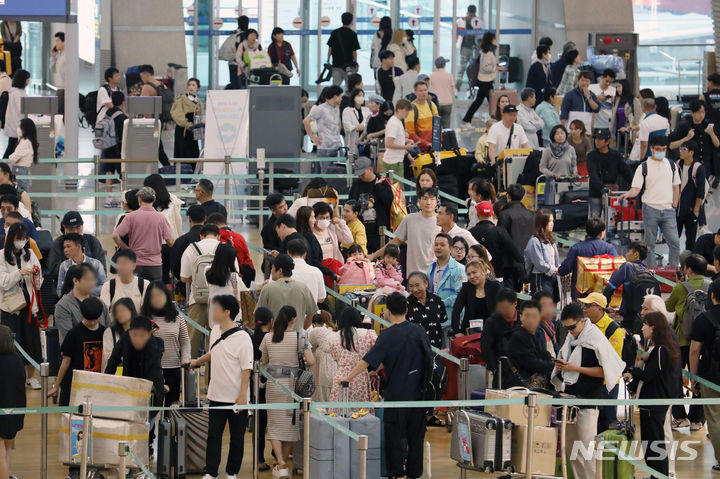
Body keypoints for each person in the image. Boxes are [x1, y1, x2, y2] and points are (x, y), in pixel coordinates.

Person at [341, 293, 430, 479]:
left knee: (395, 436)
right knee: (416, 437)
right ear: (406, 310)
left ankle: (397, 473)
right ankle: (414, 473)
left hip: (397, 395)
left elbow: (366, 361)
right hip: (420, 394)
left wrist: (348, 377)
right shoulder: (419, 331)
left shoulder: (388, 335)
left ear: (387, 312)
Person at [551, 302, 626, 479]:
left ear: (582, 321)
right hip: (569, 398)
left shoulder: (596, 340)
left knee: (586, 448)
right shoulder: (571, 338)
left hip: (589, 400)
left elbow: (606, 372)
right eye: (566, 328)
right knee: (571, 449)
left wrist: (576, 368)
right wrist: (561, 366)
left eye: (572, 327)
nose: (570, 331)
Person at [186, 296, 251, 479]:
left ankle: (232, 472)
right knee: (213, 436)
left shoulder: (243, 337)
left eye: (215, 309)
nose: (212, 313)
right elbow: (213, 352)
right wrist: (197, 361)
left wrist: (242, 395)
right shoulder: (214, 331)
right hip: (216, 395)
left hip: (236, 397)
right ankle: (211, 472)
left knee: (237, 438)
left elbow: (247, 369)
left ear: (227, 312)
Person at [620, 311, 679, 477]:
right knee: (650, 442)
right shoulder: (656, 349)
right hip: (651, 404)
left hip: (655, 403)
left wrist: (633, 371)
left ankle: (660, 474)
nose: (643, 327)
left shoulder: (660, 350)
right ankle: (656, 473)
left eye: (645, 324)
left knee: (655, 442)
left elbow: (650, 375)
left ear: (654, 327)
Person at [259, 305, 315, 478]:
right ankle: (281, 462)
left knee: (274, 424)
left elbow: (264, 360)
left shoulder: (269, 337)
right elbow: (310, 360)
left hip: (274, 384)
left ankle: (281, 463)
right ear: (293, 319)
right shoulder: (300, 336)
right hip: (292, 385)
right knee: (290, 423)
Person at [620, 135, 681, 267]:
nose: (661, 151)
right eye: (658, 149)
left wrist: (674, 206)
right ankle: (652, 271)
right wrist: (628, 194)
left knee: (675, 242)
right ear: (651, 149)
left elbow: (676, 187)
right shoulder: (643, 167)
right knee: (649, 244)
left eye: (663, 149)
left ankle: (673, 270)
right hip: (650, 209)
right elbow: (636, 188)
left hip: (668, 210)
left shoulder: (671, 165)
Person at [666, 253, 709, 430]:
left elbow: (668, 306)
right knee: (700, 379)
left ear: (688, 269)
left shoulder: (681, 287)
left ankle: (680, 417)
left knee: (674, 378)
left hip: (682, 340)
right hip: (705, 340)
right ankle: (697, 420)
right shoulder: (710, 285)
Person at [0, 222, 42, 388]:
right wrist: (19, 273)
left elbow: (39, 284)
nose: (22, 242)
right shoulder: (2, 255)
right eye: (19, 238)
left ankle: (30, 377)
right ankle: (11, 378)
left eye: (24, 238)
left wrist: (36, 274)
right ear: (11, 239)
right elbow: (3, 283)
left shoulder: (30, 254)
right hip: (10, 307)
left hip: (29, 305)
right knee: (10, 343)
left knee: (31, 341)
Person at [577, 292, 625, 431]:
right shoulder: (584, 325)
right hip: (588, 381)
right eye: (584, 305)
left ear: (599, 308)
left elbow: (611, 361)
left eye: (588, 305)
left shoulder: (613, 329)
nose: (584, 308)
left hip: (606, 384)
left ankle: (606, 452)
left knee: (607, 423)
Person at [370, 187, 441, 279]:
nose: (428, 202)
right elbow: (395, 242)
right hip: (413, 273)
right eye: (425, 198)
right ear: (419, 201)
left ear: (436, 201)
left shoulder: (441, 221)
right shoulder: (410, 219)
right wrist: (373, 255)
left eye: (432, 199)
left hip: (435, 273)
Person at [48, 297, 106, 406]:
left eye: (95, 319)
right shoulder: (74, 334)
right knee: (73, 421)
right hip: (74, 385)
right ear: (82, 315)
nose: (93, 322)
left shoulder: (104, 333)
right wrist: (56, 386)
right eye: (89, 320)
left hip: (96, 386)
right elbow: (65, 362)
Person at [141, 281, 190, 406]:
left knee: (170, 406)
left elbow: (185, 341)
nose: (157, 299)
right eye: (153, 296)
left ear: (167, 296)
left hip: (173, 369)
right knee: (150, 406)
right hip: (149, 370)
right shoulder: (143, 318)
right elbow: (136, 344)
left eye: (160, 295)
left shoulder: (177, 316)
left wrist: (185, 360)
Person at [112, 187, 176, 281]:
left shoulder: (131, 217)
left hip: (135, 264)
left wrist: (127, 249)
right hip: (155, 265)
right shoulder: (161, 218)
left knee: (136, 293)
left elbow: (115, 236)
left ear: (140, 199)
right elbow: (170, 242)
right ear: (154, 200)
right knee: (153, 294)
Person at [690, 278, 720, 474]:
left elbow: (694, 350)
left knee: (715, 418)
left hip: (711, 376)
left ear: (712, 295)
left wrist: (694, 378)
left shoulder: (703, 318)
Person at [180, 224, 223, 357]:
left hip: (197, 299)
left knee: (191, 339)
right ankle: (212, 372)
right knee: (216, 340)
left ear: (201, 236)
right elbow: (235, 273)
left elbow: (184, 277)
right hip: (220, 300)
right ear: (219, 235)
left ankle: (187, 371)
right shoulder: (225, 248)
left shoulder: (192, 248)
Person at [104, 315, 166, 408]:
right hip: (128, 388)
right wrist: (106, 384)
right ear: (130, 332)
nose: (138, 339)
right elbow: (113, 361)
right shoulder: (125, 338)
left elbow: (155, 373)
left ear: (149, 334)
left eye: (142, 335)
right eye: (135, 335)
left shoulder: (156, 345)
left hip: (151, 394)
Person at [558, 218, 618, 298]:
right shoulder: (609, 249)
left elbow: (564, 270)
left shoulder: (576, 248)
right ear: (601, 233)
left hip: (580, 294)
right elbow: (617, 269)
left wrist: (558, 270)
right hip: (602, 295)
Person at [256, 254, 317, 331]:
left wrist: (269, 331)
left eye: (272, 268)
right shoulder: (303, 288)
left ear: (280, 271)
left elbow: (259, 315)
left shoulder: (268, 288)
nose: (271, 270)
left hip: (274, 338)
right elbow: (312, 313)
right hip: (296, 338)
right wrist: (302, 328)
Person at [329, 308, 377, 406]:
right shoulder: (368, 334)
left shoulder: (332, 337)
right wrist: (374, 371)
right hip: (361, 376)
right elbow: (378, 353)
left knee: (340, 413)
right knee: (361, 415)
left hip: (341, 376)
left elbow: (335, 357)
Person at [603, 241, 654, 333]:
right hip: (644, 317)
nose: (626, 254)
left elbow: (610, 288)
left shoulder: (627, 267)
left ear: (636, 254)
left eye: (628, 251)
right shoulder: (648, 271)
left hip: (629, 318)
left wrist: (604, 305)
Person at [470, 200, 523, 288]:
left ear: (477, 215)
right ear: (492, 214)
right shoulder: (500, 231)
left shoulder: (470, 233)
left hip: (476, 278)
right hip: (498, 276)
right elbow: (515, 253)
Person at [348, 157, 394, 253]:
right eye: (359, 174)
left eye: (362, 174)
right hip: (361, 231)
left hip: (380, 231)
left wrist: (378, 187)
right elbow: (350, 205)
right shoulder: (356, 185)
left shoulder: (382, 182)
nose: (360, 177)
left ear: (370, 169)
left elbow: (389, 201)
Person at [670, 99, 719, 186]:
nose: (701, 115)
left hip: (705, 164)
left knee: (703, 190)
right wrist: (687, 138)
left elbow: (717, 144)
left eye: (703, 112)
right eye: (699, 112)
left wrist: (712, 134)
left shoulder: (708, 126)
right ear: (692, 112)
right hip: (688, 164)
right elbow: (671, 146)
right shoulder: (684, 126)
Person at [586, 128, 634, 217]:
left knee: (613, 219)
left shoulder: (616, 155)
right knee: (595, 219)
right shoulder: (591, 156)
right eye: (596, 139)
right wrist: (603, 188)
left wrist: (634, 186)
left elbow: (626, 171)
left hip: (612, 191)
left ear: (608, 141)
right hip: (596, 192)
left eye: (600, 139)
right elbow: (593, 176)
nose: (597, 141)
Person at [55, 264, 110, 340]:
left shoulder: (100, 303)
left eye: (93, 279)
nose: (92, 283)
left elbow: (109, 331)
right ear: (75, 280)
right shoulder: (63, 305)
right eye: (88, 279)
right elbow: (67, 338)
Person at [507, 300, 555, 386]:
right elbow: (531, 363)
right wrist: (554, 366)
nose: (531, 320)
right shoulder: (517, 336)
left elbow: (544, 354)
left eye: (535, 316)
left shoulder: (538, 333)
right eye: (527, 316)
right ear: (521, 317)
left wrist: (556, 362)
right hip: (518, 386)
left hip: (533, 384)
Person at [480, 288, 520, 386]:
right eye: (500, 308)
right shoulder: (492, 322)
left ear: (515, 304)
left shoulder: (524, 319)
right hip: (501, 373)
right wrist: (495, 368)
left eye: (506, 307)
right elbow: (486, 347)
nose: (503, 311)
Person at [462, 32, 505, 124]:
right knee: (490, 102)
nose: (496, 41)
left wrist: (495, 66)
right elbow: (485, 67)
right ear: (490, 41)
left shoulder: (487, 52)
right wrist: (497, 68)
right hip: (485, 81)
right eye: (494, 39)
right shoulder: (487, 53)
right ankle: (497, 120)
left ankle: (468, 119)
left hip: (486, 81)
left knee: (486, 101)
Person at [0, 324, 25, 479]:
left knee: (0, 451)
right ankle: (7, 474)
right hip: (14, 409)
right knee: (8, 448)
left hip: (1, 409)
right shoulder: (17, 359)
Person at [451, 260, 502, 336]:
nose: (471, 276)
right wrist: (457, 331)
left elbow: (503, 308)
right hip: (469, 332)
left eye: (474, 272)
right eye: (468, 274)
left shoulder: (495, 286)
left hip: (492, 332)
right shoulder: (466, 288)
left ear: (483, 271)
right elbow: (456, 310)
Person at [206, 214, 255, 288]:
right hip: (239, 279)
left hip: (220, 281)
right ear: (225, 223)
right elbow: (246, 257)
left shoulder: (215, 240)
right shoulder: (239, 237)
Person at [427, 233, 466, 323]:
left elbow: (461, 295)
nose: (438, 247)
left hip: (453, 320)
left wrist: (441, 303)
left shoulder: (459, 269)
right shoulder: (431, 268)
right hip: (435, 319)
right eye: (436, 245)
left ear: (451, 248)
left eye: (442, 245)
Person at [675, 140, 707, 250]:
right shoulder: (678, 164)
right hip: (677, 208)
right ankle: (673, 263)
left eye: (684, 149)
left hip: (691, 209)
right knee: (674, 238)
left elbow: (700, 191)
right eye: (681, 149)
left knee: (690, 240)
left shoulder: (698, 168)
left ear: (691, 152)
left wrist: (696, 210)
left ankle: (688, 263)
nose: (681, 151)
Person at [98, 91, 128, 207]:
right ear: (123, 102)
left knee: (109, 173)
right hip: (118, 149)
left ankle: (108, 199)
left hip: (107, 147)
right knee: (122, 174)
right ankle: (123, 199)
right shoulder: (122, 117)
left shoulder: (108, 113)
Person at [304, 85, 343, 171]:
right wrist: (313, 138)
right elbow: (306, 121)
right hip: (325, 147)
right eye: (340, 96)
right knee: (326, 174)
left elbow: (338, 124)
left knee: (340, 173)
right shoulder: (320, 109)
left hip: (338, 146)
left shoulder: (337, 108)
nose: (341, 99)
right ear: (335, 96)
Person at [205, 243, 245, 325]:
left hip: (214, 317)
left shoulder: (208, 272)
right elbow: (244, 296)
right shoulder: (234, 277)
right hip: (232, 320)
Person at [56, 233, 107, 297]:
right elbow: (59, 290)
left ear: (79, 247)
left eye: (68, 246)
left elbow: (104, 287)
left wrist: (85, 291)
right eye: (64, 247)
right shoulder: (64, 266)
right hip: (71, 303)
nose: (65, 250)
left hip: (92, 301)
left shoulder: (96, 264)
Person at [525, 209, 560, 299]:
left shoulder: (550, 240)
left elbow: (554, 260)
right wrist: (555, 269)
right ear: (542, 223)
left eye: (553, 221)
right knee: (542, 307)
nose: (552, 224)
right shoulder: (534, 241)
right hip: (540, 277)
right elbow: (540, 263)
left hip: (552, 277)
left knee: (553, 306)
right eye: (549, 221)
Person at [138, 64, 170, 165]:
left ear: (145, 74)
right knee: (157, 144)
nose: (141, 78)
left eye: (141, 76)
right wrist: (165, 122)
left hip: (151, 123)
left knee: (155, 146)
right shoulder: (162, 85)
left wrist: (145, 123)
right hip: (161, 121)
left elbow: (144, 107)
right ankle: (167, 168)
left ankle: (167, 167)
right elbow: (166, 104)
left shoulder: (147, 87)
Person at [407, 272, 447, 348]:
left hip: (436, 348)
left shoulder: (437, 301)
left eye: (417, 285)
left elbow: (443, 320)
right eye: (411, 286)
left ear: (426, 284)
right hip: (415, 349)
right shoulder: (406, 304)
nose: (415, 289)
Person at [169, 205, 206, 290]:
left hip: (186, 286)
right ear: (205, 218)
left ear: (189, 218)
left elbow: (175, 267)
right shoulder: (212, 240)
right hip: (210, 285)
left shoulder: (180, 241)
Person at [170, 77, 204, 161]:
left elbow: (200, 116)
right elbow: (177, 114)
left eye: (193, 85)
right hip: (183, 131)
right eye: (189, 85)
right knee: (182, 153)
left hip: (193, 132)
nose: (191, 87)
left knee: (193, 153)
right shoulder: (182, 99)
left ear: (198, 88)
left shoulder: (199, 101)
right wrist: (188, 125)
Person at [497, 184, 535, 255]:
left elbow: (501, 237)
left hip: (510, 257)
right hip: (529, 255)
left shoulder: (504, 214)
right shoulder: (531, 214)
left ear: (508, 196)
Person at [307, 311, 336, 402]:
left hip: (325, 368)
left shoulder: (316, 331)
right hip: (336, 365)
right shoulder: (332, 330)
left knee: (324, 395)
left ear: (314, 324)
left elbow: (308, 346)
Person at [101, 297, 136, 372]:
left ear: (131, 310)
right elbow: (108, 357)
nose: (119, 314)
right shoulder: (110, 332)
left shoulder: (140, 330)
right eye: (117, 312)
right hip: (116, 374)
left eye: (122, 311)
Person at [287, 239, 326, 305]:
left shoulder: (280, 270)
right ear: (305, 254)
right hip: (311, 313)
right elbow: (321, 299)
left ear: (288, 253)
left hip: (287, 313)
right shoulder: (316, 271)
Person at [326, 12, 360, 87]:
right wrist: (355, 62)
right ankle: (347, 99)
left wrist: (328, 60)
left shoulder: (335, 33)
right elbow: (354, 52)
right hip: (349, 66)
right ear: (351, 21)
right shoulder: (353, 34)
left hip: (336, 65)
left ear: (342, 20)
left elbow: (330, 48)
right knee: (350, 87)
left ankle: (334, 98)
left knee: (335, 87)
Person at [382, 98, 414, 177]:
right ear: (399, 109)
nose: (408, 113)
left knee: (397, 188)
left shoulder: (398, 122)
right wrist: (406, 146)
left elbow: (398, 141)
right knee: (397, 188)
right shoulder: (394, 123)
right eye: (406, 111)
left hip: (396, 160)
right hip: (393, 162)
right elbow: (389, 144)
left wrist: (408, 155)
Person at [405, 81, 440, 153]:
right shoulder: (411, 108)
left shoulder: (432, 105)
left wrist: (437, 143)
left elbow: (437, 127)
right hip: (420, 148)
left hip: (433, 146)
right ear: (415, 92)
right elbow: (410, 134)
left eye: (425, 90)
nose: (424, 93)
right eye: (421, 91)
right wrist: (426, 144)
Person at [2, 69, 29, 158]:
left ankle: (3, 166)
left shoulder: (17, 91)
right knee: (11, 148)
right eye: (27, 79)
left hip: (14, 125)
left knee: (12, 147)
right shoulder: (18, 93)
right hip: (16, 125)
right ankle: (2, 167)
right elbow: (21, 110)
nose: (28, 81)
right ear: (23, 80)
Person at [610, 78, 642, 148]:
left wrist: (633, 129)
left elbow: (638, 118)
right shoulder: (616, 99)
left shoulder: (634, 100)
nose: (618, 89)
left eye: (619, 86)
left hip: (629, 131)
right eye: (617, 87)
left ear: (625, 87)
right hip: (617, 131)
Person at [8, 118, 38, 192]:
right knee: (23, 195)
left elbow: (13, 158)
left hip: (20, 172)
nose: (18, 129)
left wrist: (12, 158)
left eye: (20, 127)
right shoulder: (28, 141)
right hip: (23, 172)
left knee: (20, 195)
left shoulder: (24, 142)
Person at [455, 5, 480, 89]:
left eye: (473, 14)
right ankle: (457, 87)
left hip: (474, 48)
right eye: (470, 14)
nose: (472, 16)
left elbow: (480, 34)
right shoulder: (460, 21)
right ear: (468, 12)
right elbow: (455, 34)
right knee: (462, 69)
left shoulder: (477, 21)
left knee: (474, 69)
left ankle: (472, 86)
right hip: (464, 48)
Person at [341, 88, 370, 157]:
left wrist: (363, 126)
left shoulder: (366, 110)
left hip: (364, 140)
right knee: (352, 162)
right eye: (359, 95)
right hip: (352, 141)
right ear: (354, 97)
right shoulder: (347, 110)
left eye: (362, 96)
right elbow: (346, 125)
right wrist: (355, 128)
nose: (361, 97)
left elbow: (368, 121)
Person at [534, 290, 562, 355]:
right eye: (545, 305)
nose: (549, 309)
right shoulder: (533, 329)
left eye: (550, 305)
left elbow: (555, 348)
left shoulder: (550, 324)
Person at [430, 56, 455, 127]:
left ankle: (438, 138)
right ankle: (445, 137)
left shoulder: (432, 76)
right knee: (446, 125)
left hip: (436, 103)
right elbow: (453, 89)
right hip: (447, 103)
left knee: (436, 125)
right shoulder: (449, 75)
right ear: (444, 65)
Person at [49, 32, 66, 115]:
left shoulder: (68, 56)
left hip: (65, 89)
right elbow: (53, 70)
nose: (56, 43)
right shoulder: (59, 56)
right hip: (59, 89)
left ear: (64, 41)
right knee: (58, 114)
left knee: (60, 114)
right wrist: (53, 57)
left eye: (58, 41)